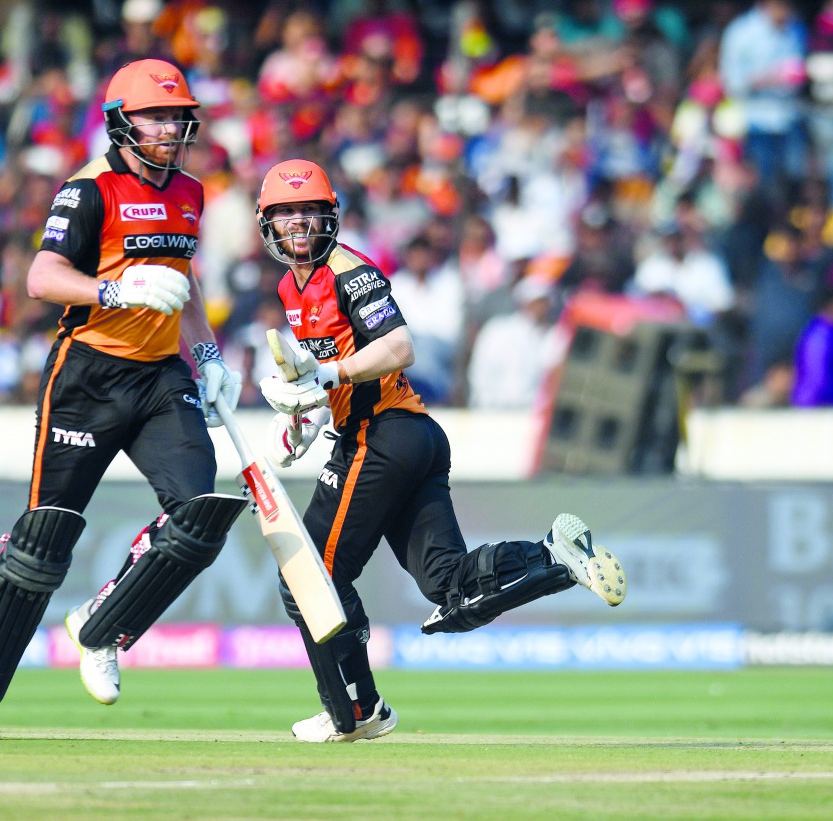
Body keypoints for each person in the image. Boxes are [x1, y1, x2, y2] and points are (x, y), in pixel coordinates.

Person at [252, 159, 627, 743]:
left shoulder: (351, 271)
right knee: (449, 589)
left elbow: (399, 347)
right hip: (406, 437)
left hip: (383, 435)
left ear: (330, 216)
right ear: (267, 223)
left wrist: (326, 378)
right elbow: (333, 372)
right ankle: (555, 557)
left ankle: (355, 710)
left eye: (308, 211)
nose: (298, 224)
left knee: (310, 577)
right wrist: (306, 414)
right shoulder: (288, 286)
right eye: (285, 213)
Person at [0, 59, 244, 741]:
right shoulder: (90, 189)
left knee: (200, 514)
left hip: (160, 376)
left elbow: (183, 282)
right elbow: (41, 277)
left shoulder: (192, 192)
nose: (171, 127)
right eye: (157, 116)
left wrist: (207, 357)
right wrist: (115, 289)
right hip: (86, 374)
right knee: (43, 538)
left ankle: (102, 626)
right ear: (123, 121)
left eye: (178, 116)